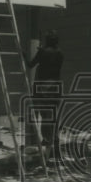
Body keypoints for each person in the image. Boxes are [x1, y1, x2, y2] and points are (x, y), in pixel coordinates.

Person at [26, 30, 64, 158]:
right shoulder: (60, 54)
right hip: (56, 87)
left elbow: (31, 65)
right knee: (54, 117)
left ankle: (47, 141)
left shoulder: (42, 52)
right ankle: (55, 147)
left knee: (44, 115)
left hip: (42, 88)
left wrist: (24, 54)